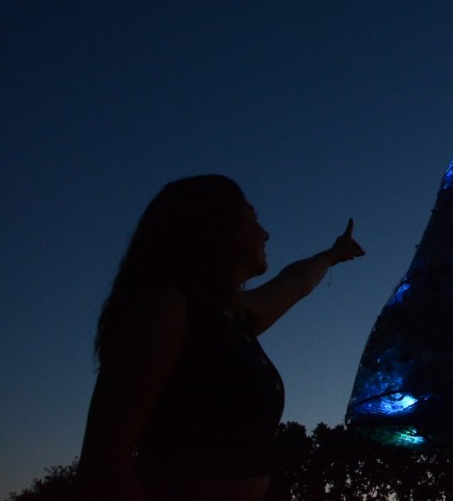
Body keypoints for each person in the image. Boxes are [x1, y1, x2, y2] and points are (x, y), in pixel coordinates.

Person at [78, 174, 365, 500]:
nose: (266, 233)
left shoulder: (228, 318)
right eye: (254, 219)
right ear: (219, 226)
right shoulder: (167, 311)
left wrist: (332, 255)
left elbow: (296, 282)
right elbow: (104, 463)